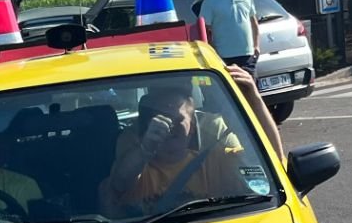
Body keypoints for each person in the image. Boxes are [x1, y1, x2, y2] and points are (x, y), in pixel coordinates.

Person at [101, 82, 266, 215]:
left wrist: (254, 100)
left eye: (176, 118)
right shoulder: (140, 170)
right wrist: (145, 148)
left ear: (192, 127)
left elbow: (266, 160)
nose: (169, 126)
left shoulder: (214, 160)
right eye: (160, 120)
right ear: (146, 129)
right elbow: (119, 183)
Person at [192, 0, 285, 158]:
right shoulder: (211, 1)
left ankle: (257, 137)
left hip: (248, 57)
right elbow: (203, 30)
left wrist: (257, 47)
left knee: (253, 97)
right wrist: (212, 53)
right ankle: (234, 140)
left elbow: (253, 22)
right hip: (225, 59)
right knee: (230, 101)